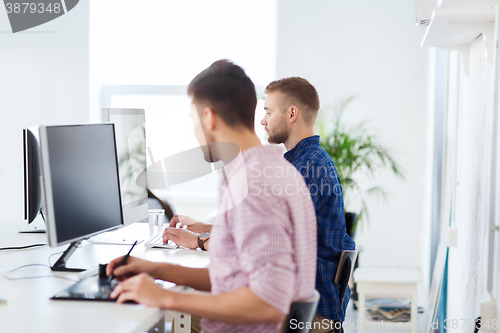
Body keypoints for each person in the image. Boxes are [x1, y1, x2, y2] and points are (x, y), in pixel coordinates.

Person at [108, 60, 318, 333]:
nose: (195, 133)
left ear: (208, 117)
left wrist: (166, 297)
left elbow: (268, 302)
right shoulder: (269, 168)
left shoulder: (253, 183)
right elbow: (233, 278)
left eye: (193, 121)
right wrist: (154, 269)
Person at [164, 77, 356, 333]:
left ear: (291, 113)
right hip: (312, 305)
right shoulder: (312, 161)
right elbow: (269, 232)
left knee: (181, 315)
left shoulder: (302, 170)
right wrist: (207, 228)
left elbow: (270, 251)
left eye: (267, 111)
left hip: (306, 315)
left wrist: (199, 240)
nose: (263, 121)